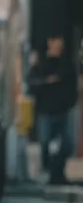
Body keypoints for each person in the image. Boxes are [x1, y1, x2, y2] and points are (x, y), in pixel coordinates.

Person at [29, 34, 78, 185]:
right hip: (45, 110)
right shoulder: (41, 64)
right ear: (50, 42)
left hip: (63, 109)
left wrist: (71, 102)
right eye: (57, 41)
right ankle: (47, 172)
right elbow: (32, 84)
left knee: (67, 144)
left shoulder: (66, 64)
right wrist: (47, 82)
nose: (60, 45)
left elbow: (72, 85)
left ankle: (58, 172)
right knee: (45, 143)